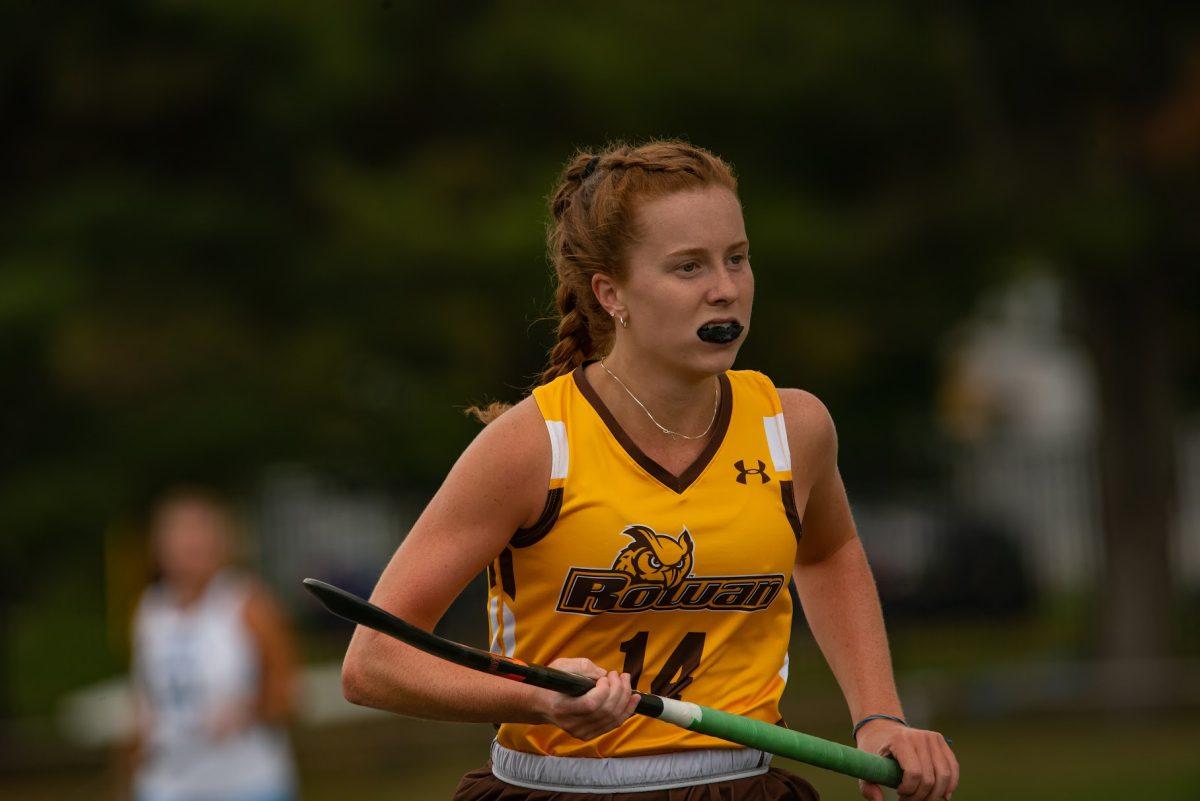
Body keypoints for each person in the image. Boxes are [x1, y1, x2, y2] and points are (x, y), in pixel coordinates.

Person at [341, 141, 960, 801]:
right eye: (688, 267)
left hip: (740, 788)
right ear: (612, 292)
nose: (725, 288)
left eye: (737, 258)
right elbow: (373, 664)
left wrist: (879, 715)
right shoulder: (530, 445)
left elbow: (830, 551)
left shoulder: (794, 428)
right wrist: (537, 697)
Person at [128, 487, 299, 801]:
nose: (188, 544)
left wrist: (248, 712)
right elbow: (144, 699)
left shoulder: (249, 604)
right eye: (177, 533)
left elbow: (288, 694)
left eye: (198, 532)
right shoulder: (150, 610)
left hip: (247, 783)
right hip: (168, 784)